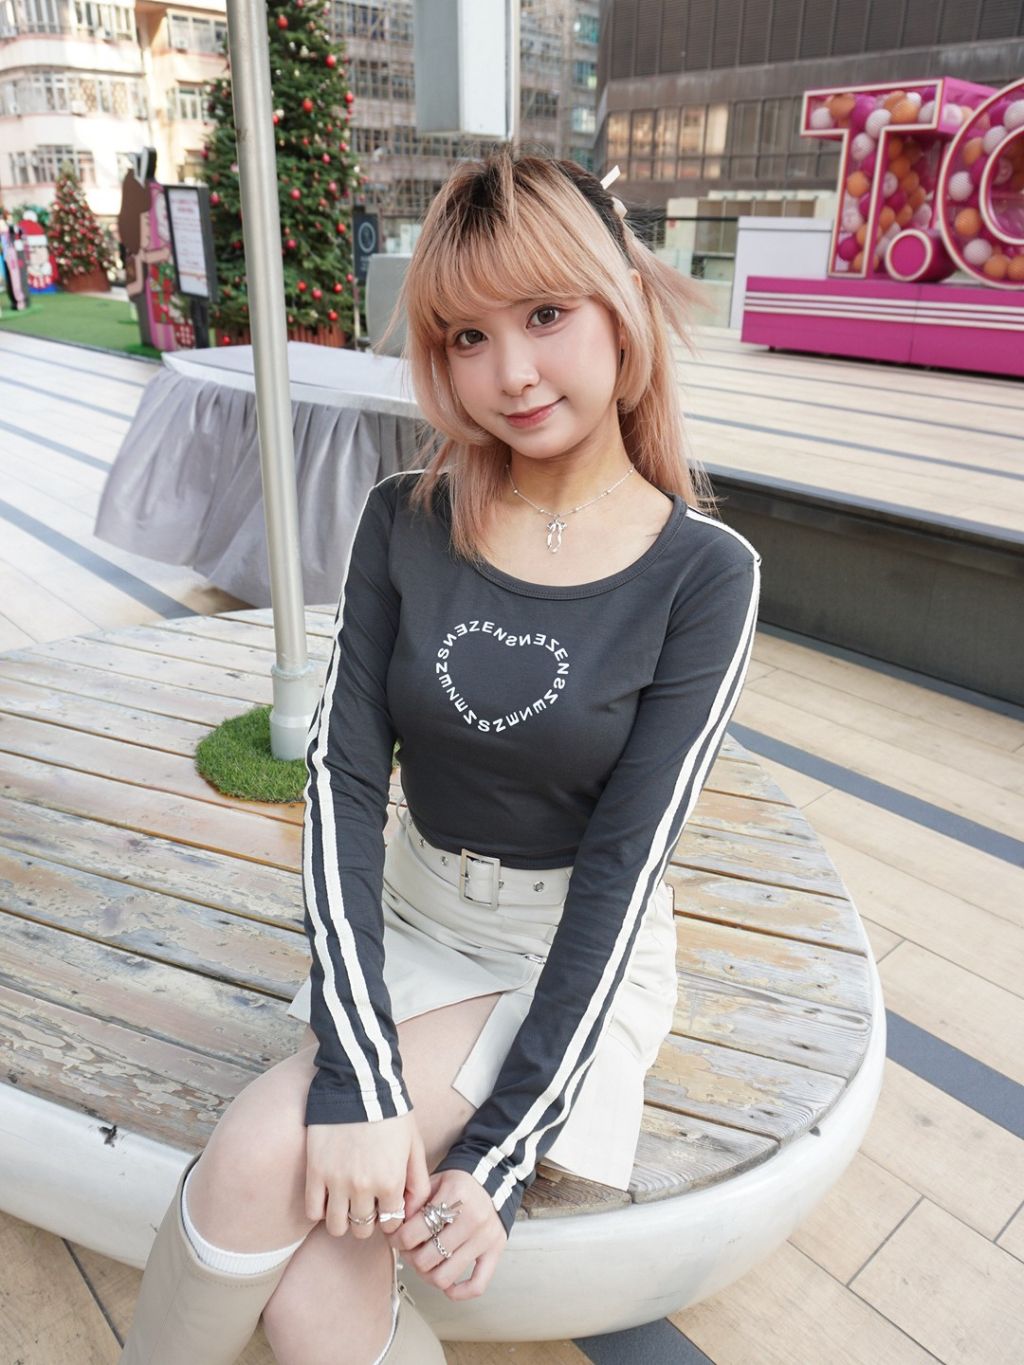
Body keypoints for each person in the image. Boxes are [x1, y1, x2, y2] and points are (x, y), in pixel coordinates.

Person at [118, 147, 762, 1364]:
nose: (509, 371)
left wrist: (502, 1152)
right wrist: (361, 1072)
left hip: (564, 959)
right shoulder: (405, 519)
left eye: (544, 315)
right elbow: (342, 787)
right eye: (468, 336)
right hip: (409, 919)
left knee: (259, 1158)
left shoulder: (705, 575)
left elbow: (624, 877)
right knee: (313, 1272)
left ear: (622, 305)